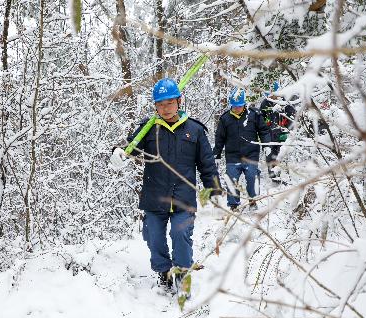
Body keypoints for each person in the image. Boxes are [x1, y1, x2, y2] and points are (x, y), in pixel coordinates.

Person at [110, 78, 221, 293]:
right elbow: (128, 147)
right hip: (155, 196)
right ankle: (164, 272)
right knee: (154, 236)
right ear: (155, 106)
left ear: (179, 102)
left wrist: (213, 190)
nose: (165, 108)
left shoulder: (195, 130)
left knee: (181, 236)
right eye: (160, 104)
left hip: (183, 197)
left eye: (170, 103)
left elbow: (206, 163)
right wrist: (117, 152)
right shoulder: (148, 129)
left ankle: (181, 275)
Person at [213, 87, 271, 211]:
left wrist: (267, 145)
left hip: (251, 155)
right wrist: (216, 155)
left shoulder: (254, 115)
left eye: (239, 106)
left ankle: (253, 201)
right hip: (232, 156)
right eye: (234, 106)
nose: (237, 108)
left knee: (252, 177)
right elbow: (219, 138)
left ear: (244, 104)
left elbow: (264, 131)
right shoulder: (225, 118)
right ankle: (233, 205)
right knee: (232, 180)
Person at [259, 81, 296, 183]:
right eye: (270, 95)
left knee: (281, 155)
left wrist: (287, 129)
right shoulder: (265, 103)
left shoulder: (285, 102)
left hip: (283, 134)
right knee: (270, 156)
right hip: (269, 135)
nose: (272, 97)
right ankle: (274, 179)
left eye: (274, 95)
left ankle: (284, 178)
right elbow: (260, 119)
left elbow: (292, 118)